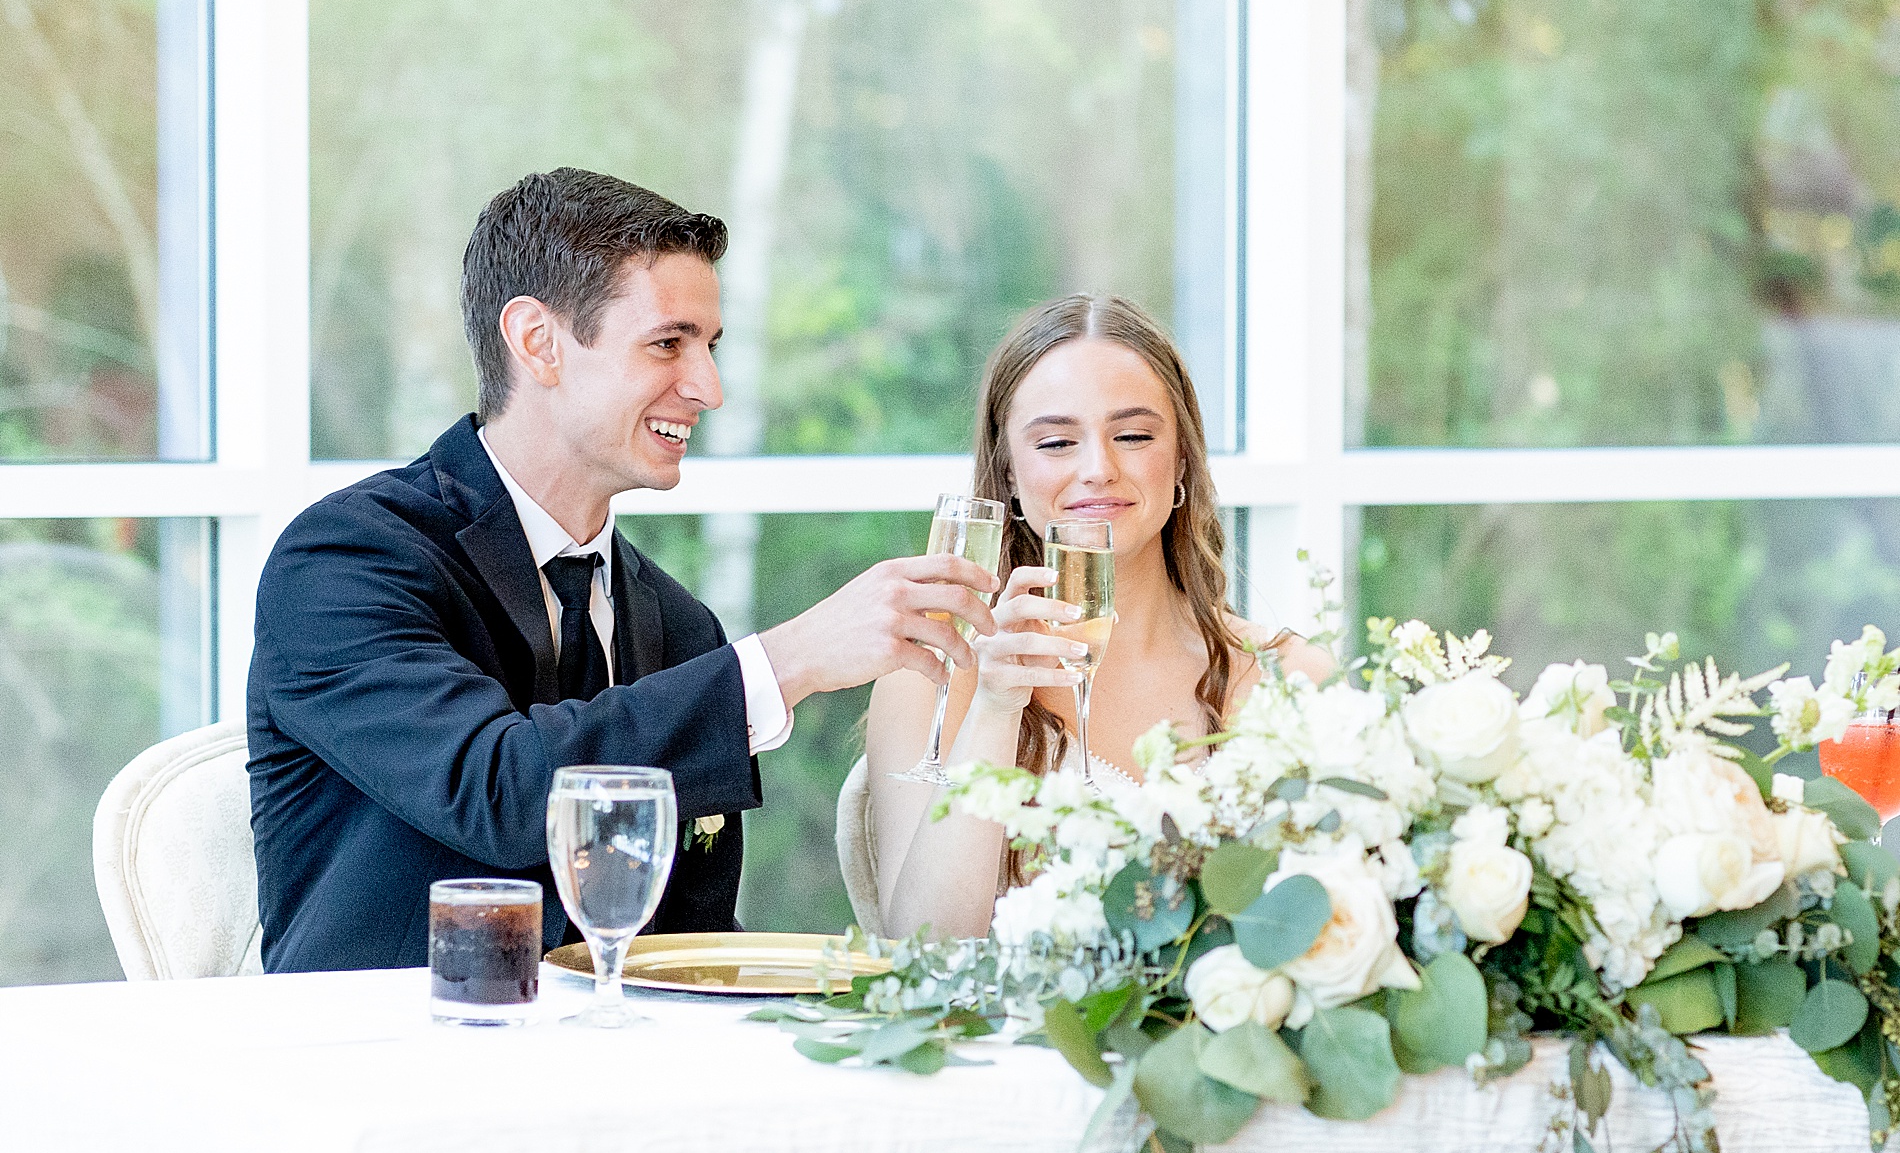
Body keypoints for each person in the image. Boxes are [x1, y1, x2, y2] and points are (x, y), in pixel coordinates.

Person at [248, 168, 998, 972]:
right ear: (538, 342)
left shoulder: (678, 628)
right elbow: (498, 789)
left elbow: (683, 939)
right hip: (376, 1067)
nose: (707, 387)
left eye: (710, 347)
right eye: (669, 344)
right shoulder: (346, 559)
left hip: (618, 1078)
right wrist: (791, 660)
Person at [865, 294, 1332, 939]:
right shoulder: (926, 682)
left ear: (1183, 461)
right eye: (1057, 442)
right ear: (1008, 472)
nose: (1097, 470)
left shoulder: (1291, 676)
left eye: (1134, 436)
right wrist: (997, 708)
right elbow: (922, 950)